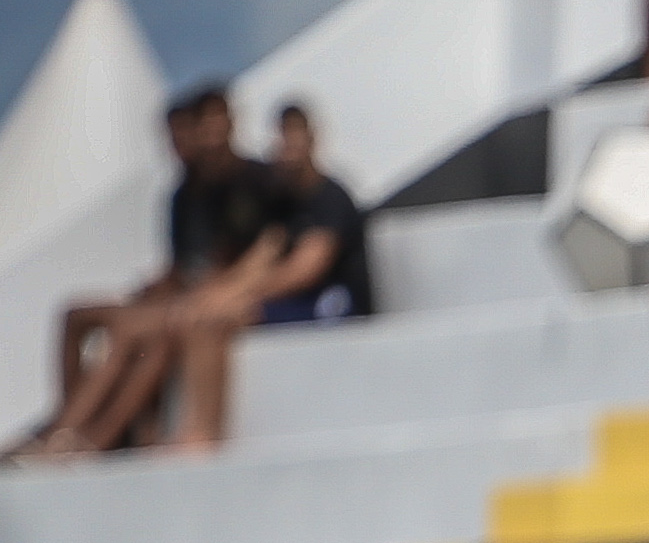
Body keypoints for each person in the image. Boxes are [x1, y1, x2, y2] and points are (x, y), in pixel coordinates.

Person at [10, 84, 292, 464]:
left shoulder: (257, 182)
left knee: (136, 335)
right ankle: (69, 422)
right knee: (77, 315)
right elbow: (186, 263)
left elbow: (265, 253)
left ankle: (83, 437)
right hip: (182, 296)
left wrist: (211, 292)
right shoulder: (185, 192)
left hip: (218, 302)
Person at [163, 103, 375, 450]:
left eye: (294, 138)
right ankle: (193, 429)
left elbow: (305, 271)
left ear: (312, 139)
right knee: (201, 315)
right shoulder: (285, 203)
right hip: (299, 300)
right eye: (282, 140)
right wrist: (215, 294)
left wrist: (235, 299)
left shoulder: (330, 198)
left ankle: (205, 434)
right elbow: (262, 258)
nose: (287, 149)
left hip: (333, 306)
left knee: (218, 319)